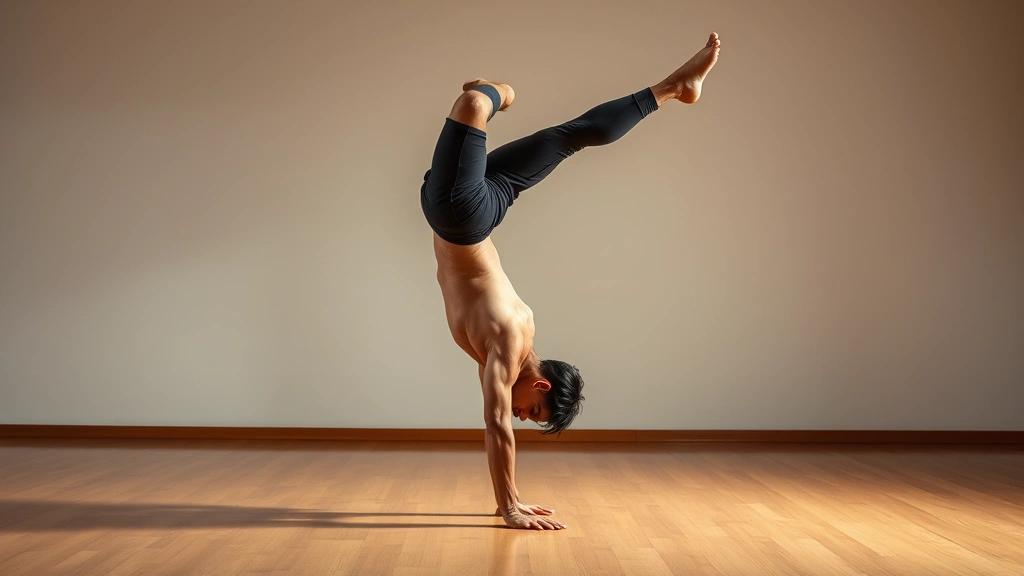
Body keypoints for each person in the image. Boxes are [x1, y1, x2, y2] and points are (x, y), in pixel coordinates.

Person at [419, 33, 722, 530]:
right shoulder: (509, 340)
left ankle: (671, 89)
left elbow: (501, 418)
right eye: (534, 412)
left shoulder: (517, 342)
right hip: (461, 214)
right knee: (479, 103)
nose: (521, 415)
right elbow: (496, 427)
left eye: (529, 418)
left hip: (477, 212)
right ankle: (503, 91)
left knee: (568, 136)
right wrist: (509, 505)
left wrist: (509, 498)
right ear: (540, 384)